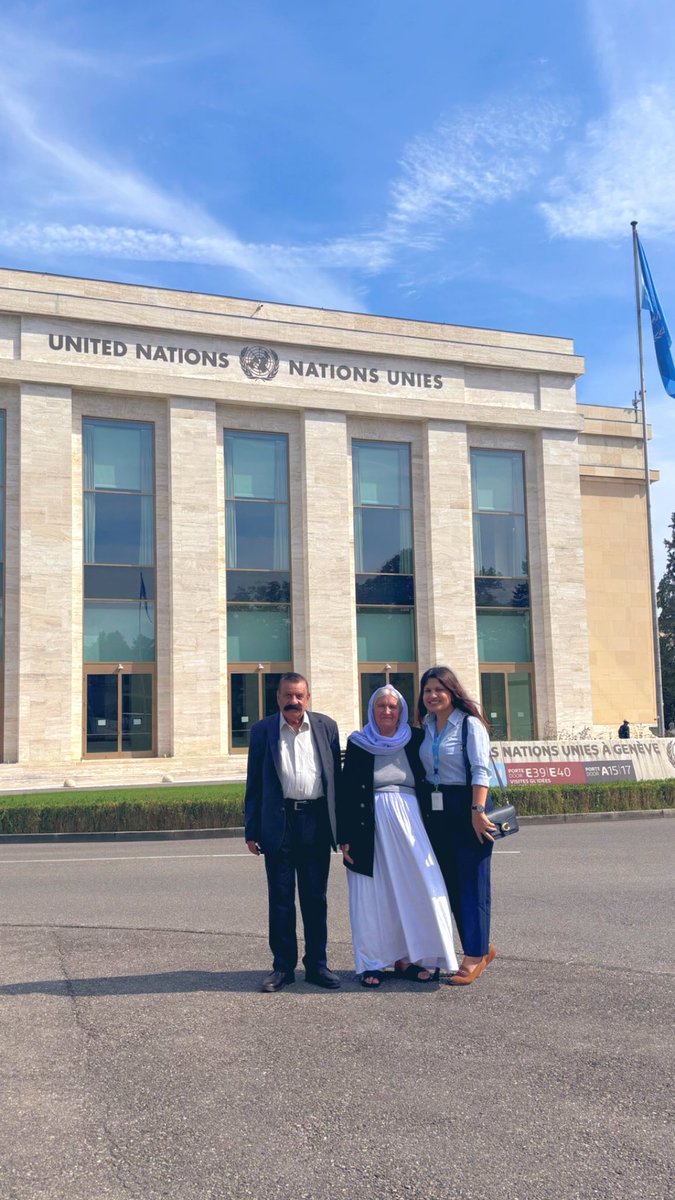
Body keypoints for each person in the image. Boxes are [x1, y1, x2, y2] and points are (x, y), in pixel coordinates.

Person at [339, 685, 458, 988]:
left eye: (393, 706)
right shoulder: (359, 743)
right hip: (369, 827)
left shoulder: (416, 738)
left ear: (402, 710)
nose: (387, 711)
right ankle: (373, 963)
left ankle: (412, 958)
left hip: (411, 824)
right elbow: (347, 792)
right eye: (381, 706)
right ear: (371, 709)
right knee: (373, 896)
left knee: (416, 889)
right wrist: (346, 837)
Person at [244, 672, 342, 992]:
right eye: (288, 695)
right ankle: (282, 967)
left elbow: (335, 782)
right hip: (280, 824)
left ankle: (317, 965)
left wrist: (340, 830)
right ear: (278, 698)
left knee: (316, 899)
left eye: (299, 695)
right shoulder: (262, 731)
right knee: (282, 900)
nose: (293, 701)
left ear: (308, 697)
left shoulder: (326, 728)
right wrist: (251, 830)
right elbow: (254, 784)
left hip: (315, 822)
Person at [417, 666, 497, 987]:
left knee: (472, 883)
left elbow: (481, 769)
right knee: (448, 884)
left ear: (452, 691)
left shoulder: (469, 725)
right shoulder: (425, 725)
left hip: (468, 806)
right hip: (437, 810)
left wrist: (477, 810)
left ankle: (475, 957)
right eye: (427, 691)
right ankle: (479, 946)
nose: (432, 696)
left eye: (439, 689)